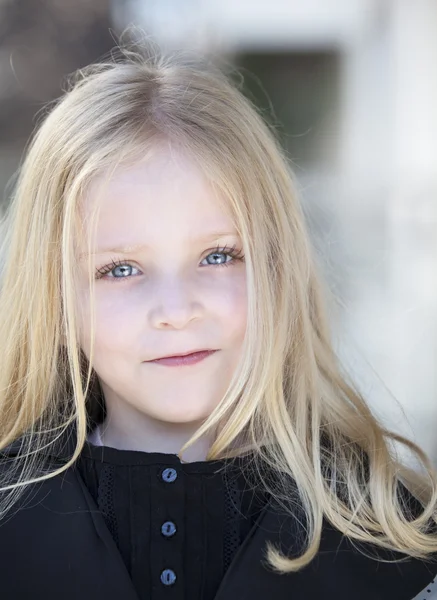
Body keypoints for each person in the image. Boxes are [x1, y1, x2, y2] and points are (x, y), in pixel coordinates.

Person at [0, 37, 436, 600]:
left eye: (217, 256)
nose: (177, 312)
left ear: (278, 268)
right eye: (120, 269)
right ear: (54, 296)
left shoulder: (394, 541)